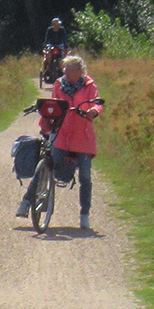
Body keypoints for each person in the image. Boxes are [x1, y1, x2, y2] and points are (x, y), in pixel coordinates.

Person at [47, 54, 102, 229]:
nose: (65, 72)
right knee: (47, 165)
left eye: (69, 69)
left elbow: (96, 102)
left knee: (85, 177)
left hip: (82, 136)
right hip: (63, 134)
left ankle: (84, 214)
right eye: (64, 69)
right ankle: (27, 201)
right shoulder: (59, 84)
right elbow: (53, 103)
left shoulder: (89, 86)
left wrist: (93, 110)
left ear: (79, 71)